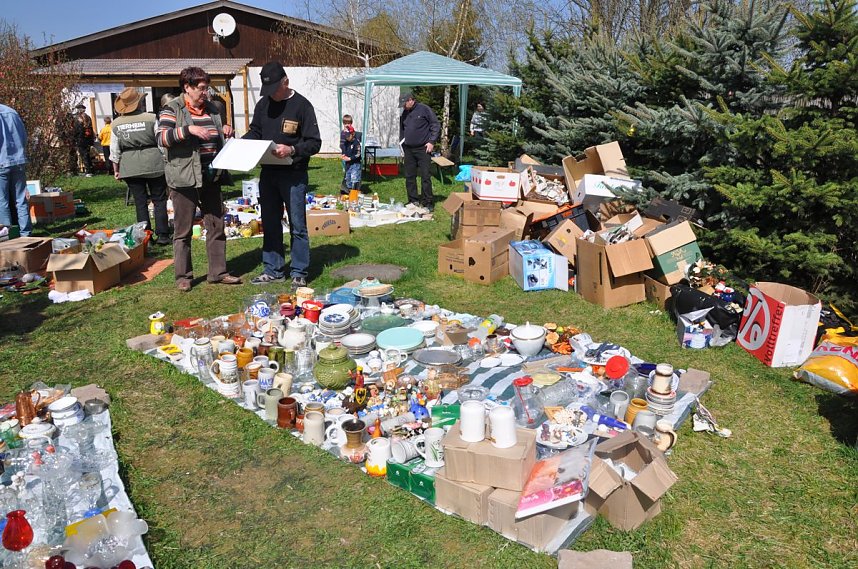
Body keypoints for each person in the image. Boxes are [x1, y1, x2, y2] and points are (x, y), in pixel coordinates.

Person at [158, 66, 242, 292]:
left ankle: (218, 272)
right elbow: (162, 138)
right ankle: (183, 276)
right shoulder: (171, 109)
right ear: (187, 87)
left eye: (207, 88)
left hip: (211, 176)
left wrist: (224, 129)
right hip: (184, 179)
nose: (205, 93)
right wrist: (188, 130)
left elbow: (215, 132)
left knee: (216, 225)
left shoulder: (213, 108)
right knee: (183, 230)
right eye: (202, 88)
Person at [242, 61, 321, 288]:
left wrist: (293, 150)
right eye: (267, 91)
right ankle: (273, 269)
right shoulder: (262, 105)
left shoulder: (302, 106)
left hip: (293, 174)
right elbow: (256, 131)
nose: (271, 96)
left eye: (274, 90)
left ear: (285, 82)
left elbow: (314, 142)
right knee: (270, 222)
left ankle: (299, 271)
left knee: (297, 224)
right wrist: (240, 143)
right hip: (268, 173)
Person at [110, 87, 171, 246]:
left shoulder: (116, 124)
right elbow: (160, 142)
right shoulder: (151, 118)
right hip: (154, 163)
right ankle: (163, 235)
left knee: (140, 202)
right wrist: (166, 160)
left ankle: (146, 236)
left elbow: (114, 150)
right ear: (139, 103)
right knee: (159, 199)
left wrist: (116, 170)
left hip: (130, 166)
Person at [399, 92, 440, 210]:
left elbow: (435, 125)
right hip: (409, 149)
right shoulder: (405, 113)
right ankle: (413, 200)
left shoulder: (424, 109)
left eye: (404, 103)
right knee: (409, 176)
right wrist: (402, 144)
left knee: (425, 176)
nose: (403, 106)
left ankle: (428, 202)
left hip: (423, 148)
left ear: (411, 100)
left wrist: (432, 141)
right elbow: (402, 129)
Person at [0, 104, 32, 237]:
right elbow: (23, 136)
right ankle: (26, 233)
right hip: (18, 160)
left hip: (2, 161)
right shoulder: (11, 112)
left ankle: (6, 233)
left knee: (2, 200)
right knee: (21, 199)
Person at [73, 103, 95, 177]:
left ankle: (88, 171)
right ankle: (91, 170)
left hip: (81, 139)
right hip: (88, 139)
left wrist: (75, 138)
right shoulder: (88, 117)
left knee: (84, 155)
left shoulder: (77, 118)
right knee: (87, 155)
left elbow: (77, 130)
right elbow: (91, 129)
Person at [340, 125, 362, 194]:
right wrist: (344, 154)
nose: (346, 138)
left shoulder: (356, 143)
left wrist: (350, 158)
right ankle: (349, 192)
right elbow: (345, 150)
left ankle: (355, 193)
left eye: (348, 136)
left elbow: (358, 154)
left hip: (355, 163)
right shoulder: (346, 142)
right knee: (348, 178)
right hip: (348, 164)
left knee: (354, 178)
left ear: (353, 134)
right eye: (345, 136)